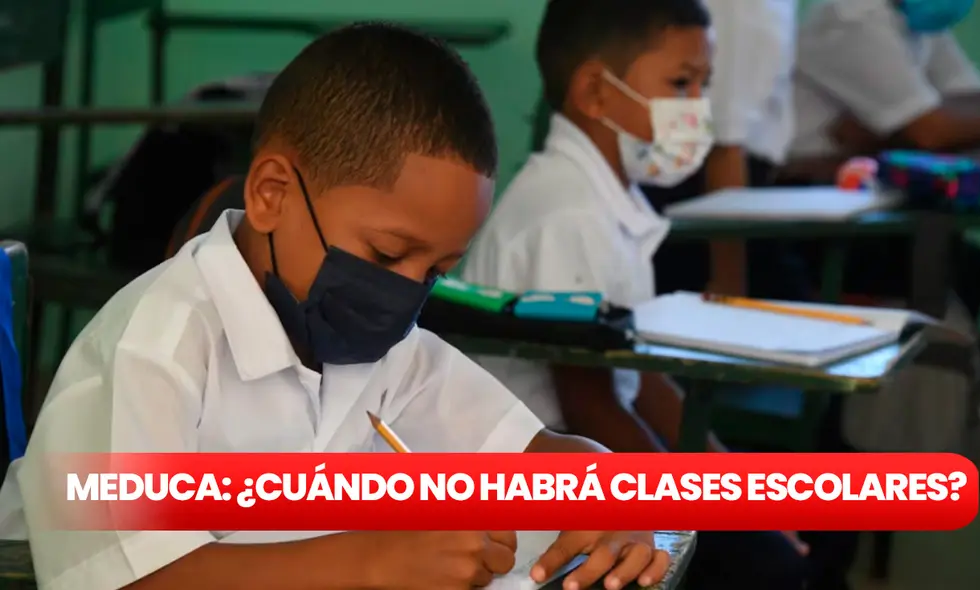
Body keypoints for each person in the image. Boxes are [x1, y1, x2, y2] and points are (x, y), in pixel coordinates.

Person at [0, 24, 669, 590]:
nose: (405, 293)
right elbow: (132, 578)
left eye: (434, 270)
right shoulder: (154, 348)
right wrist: (373, 560)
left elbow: (534, 452)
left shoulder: (379, 347)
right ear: (271, 194)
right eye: (385, 255)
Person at [462, 2, 808, 589]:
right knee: (765, 567)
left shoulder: (605, 200)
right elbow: (589, 402)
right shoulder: (568, 213)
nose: (697, 108)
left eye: (704, 85)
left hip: (589, 457)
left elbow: (639, 379)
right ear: (596, 92)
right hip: (537, 487)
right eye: (680, 84)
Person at [786, 0, 980, 322]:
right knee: (942, 268)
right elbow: (933, 132)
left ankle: (943, 363)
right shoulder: (850, 18)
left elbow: (974, 105)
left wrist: (893, 134)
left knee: (967, 266)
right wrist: (924, 128)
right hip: (809, 205)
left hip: (870, 192)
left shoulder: (917, 22)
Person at [641, 0, 806, 300]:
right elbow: (722, 143)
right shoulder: (741, 7)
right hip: (711, 200)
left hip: (738, 192)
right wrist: (730, 284)